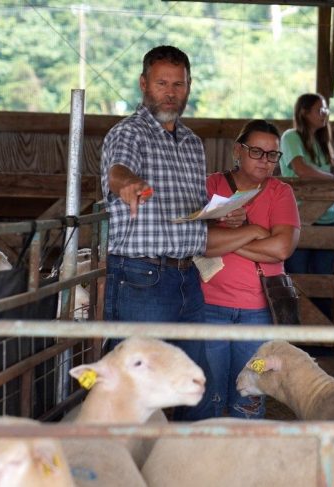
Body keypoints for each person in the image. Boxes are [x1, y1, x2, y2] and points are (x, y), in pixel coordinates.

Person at [99, 45, 244, 417]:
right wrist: (127, 183)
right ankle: (127, 466)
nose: (170, 92)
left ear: (189, 86)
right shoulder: (128, 134)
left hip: (187, 278)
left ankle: (183, 467)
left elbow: (191, 211)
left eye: (178, 84)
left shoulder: (193, 143)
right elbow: (117, 171)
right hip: (140, 279)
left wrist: (218, 216)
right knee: (134, 387)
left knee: (192, 384)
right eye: (162, 83)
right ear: (143, 84)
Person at [187, 120, 300, 420]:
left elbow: (281, 249)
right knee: (205, 395)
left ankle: (242, 461)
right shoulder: (211, 185)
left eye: (272, 155)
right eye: (256, 152)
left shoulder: (281, 192)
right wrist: (256, 232)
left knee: (250, 395)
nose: (265, 160)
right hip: (208, 307)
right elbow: (198, 241)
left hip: (259, 313)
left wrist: (230, 236)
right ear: (238, 150)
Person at [280, 93, 334, 319]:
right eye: (320, 110)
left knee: (327, 278)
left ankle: (323, 332)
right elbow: (302, 169)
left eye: (325, 109)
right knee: (298, 277)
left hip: (329, 219)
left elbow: (326, 164)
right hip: (301, 218)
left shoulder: (320, 141)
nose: (325, 113)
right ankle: (297, 333)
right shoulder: (290, 137)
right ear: (304, 112)